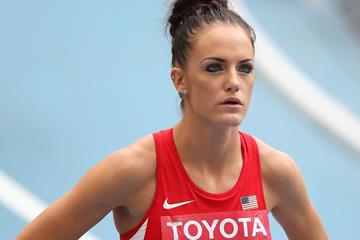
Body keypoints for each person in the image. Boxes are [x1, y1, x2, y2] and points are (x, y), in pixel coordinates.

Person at [17, 0, 328, 239]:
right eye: (214, 67)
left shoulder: (275, 171)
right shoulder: (134, 171)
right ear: (180, 80)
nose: (233, 81)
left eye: (244, 68)